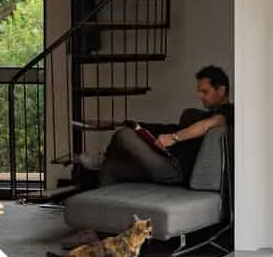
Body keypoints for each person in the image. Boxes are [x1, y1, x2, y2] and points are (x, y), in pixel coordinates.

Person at [91, 65, 233, 187]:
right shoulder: (204, 115)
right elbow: (172, 128)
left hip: (176, 170)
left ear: (221, 90)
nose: (200, 96)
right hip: (167, 159)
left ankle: (100, 158)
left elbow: (208, 125)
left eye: (205, 91)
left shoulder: (228, 112)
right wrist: (140, 126)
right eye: (199, 91)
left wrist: (174, 138)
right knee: (111, 167)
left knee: (124, 135)